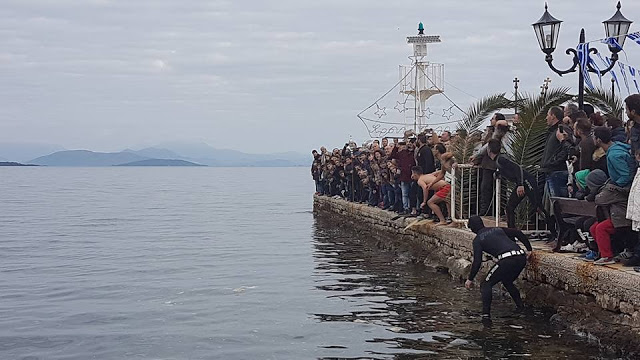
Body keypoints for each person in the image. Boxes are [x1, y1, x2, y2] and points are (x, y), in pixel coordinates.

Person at [465, 216, 532, 320]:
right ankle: (520, 307)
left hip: (507, 259)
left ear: (472, 228)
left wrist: (470, 279)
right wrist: (529, 249)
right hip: (521, 257)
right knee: (507, 281)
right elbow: (517, 232)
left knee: (486, 284)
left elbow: (477, 262)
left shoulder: (478, 240)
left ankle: (486, 315)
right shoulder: (497, 229)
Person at [486, 139, 551, 230]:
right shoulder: (499, 160)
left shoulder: (501, 159)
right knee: (509, 208)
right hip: (521, 184)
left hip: (527, 182)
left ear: (489, 150)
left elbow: (517, 168)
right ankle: (512, 233)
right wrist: (499, 174)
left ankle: (554, 232)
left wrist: (520, 184)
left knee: (538, 208)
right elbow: (508, 170)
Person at [422, 152, 456, 224]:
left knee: (431, 202)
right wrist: (432, 183)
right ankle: (449, 218)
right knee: (448, 201)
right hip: (447, 184)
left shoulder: (452, 163)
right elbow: (441, 174)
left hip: (450, 184)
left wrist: (424, 201)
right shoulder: (444, 165)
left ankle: (443, 219)